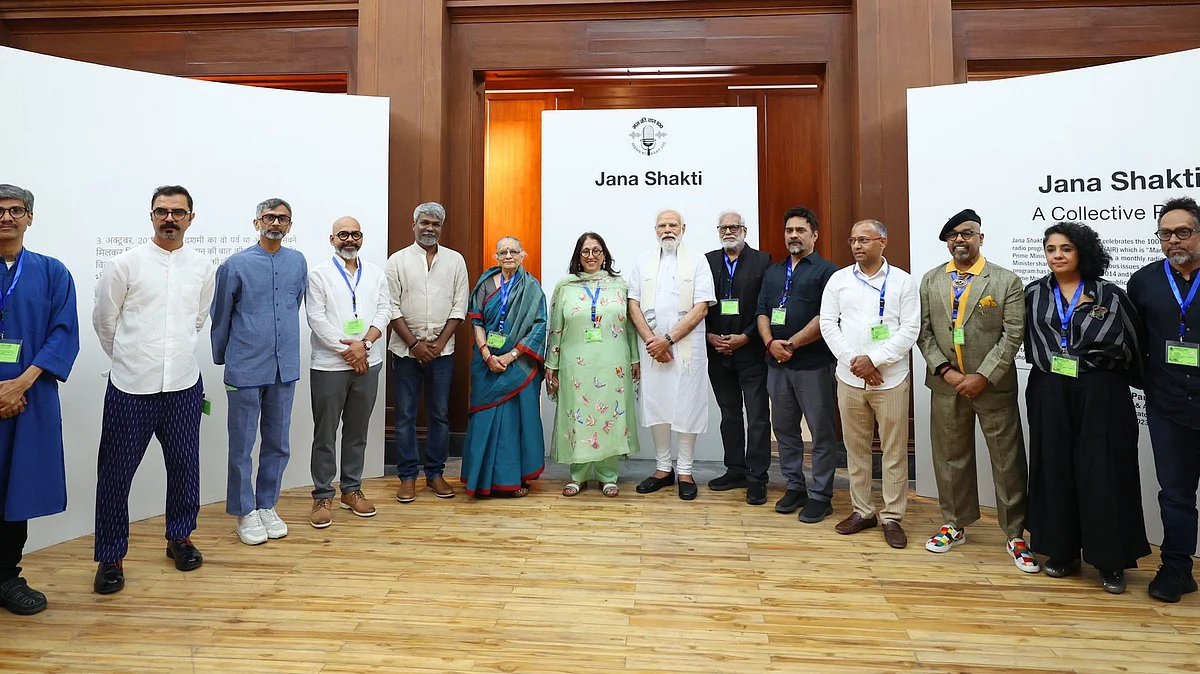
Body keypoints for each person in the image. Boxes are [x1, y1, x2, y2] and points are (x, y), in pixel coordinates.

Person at [91, 185, 214, 594]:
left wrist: (169, 356)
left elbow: (197, 320)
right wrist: (131, 358)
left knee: (184, 466)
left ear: (191, 218)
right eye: (162, 211)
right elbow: (105, 322)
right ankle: (110, 557)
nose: (170, 219)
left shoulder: (202, 267)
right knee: (115, 475)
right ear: (151, 215)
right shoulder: (124, 265)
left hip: (182, 384)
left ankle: (180, 538)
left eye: (178, 212)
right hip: (130, 387)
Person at [1025, 221, 1149, 593]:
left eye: (1066, 248)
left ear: (1083, 252)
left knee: (1103, 471)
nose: (1057, 256)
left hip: (1100, 390)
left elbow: (1134, 342)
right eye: (1051, 249)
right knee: (1054, 467)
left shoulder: (1109, 294)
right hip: (1050, 389)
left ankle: (1110, 561)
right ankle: (1060, 552)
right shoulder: (1033, 293)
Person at [916, 209, 1038, 573]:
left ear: (980, 238)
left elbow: (1013, 334)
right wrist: (948, 373)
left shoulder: (1004, 281)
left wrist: (982, 376)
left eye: (967, 233)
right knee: (951, 457)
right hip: (946, 385)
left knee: (1007, 461)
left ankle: (1016, 533)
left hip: (992, 386)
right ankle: (954, 524)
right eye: (953, 235)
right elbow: (923, 331)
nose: (960, 240)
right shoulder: (931, 280)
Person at [0, 184, 79, 615]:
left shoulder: (52, 272)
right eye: (0, 210)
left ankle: (7, 576)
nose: (7, 217)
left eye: (16, 210)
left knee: (19, 488)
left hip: (29, 400)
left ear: (30, 217)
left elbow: (63, 333)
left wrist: (19, 384)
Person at [211, 198, 307, 545]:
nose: (276, 223)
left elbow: (293, 305)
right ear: (256, 223)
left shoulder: (297, 262)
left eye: (283, 218)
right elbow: (220, 316)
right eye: (270, 217)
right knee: (242, 445)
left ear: (290, 225)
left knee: (278, 443)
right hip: (245, 367)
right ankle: (244, 510)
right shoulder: (235, 265)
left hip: (284, 367)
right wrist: (225, 358)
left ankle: (267, 505)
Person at [819, 219, 919, 549]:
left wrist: (874, 360)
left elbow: (909, 330)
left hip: (890, 379)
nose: (858, 245)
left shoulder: (903, 282)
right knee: (856, 448)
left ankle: (892, 517)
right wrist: (856, 362)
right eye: (853, 240)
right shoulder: (838, 280)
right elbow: (828, 326)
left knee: (893, 451)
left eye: (865, 239)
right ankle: (863, 511)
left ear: (883, 242)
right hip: (849, 378)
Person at [1128, 195, 1200, 603]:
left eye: (1183, 232)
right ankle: (1176, 570)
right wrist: (1150, 385)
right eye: (1166, 234)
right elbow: (1135, 342)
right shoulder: (1144, 281)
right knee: (1174, 493)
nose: (1174, 241)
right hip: (1168, 405)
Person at [756, 206, 839, 522]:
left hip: (812, 365)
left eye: (800, 230)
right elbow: (763, 310)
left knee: (820, 431)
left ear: (814, 235)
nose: (793, 235)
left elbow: (826, 317)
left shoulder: (827, 272)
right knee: (785, 429)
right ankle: (795, 485)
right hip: (776, 365)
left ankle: (821, 495)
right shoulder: (774, 271)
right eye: (789, 230)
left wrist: (791, 344)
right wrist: (770, 343)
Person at [305, 216, 389, 528]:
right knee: (325, 433)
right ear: (332, 239)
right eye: (343, 235)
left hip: (369, 361)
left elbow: (384, 310)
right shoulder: (318, 275)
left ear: (362, 238)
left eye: (354, 234)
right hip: (329, 365)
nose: (349, 240)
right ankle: (323, 494)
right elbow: (316, 318)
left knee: (357, 431)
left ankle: (351, 490)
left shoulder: (376, 274)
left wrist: (364, 345)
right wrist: (348, 351)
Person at [629, 209, 716, 501]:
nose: (668, 230)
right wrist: (653, 342)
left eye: (673, 225)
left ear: (683, 228)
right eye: (662, 225)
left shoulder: (698, 260)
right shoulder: (643, 260)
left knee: (686, 406)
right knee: (658, 406)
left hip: (686, 349)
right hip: (653, 347)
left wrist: (667, 340)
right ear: (656, 230)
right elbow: (633, 305)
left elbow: (702, 306)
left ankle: (686, 471)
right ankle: (663, 468)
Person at [546, 233, 641, 497]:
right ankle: (578, 475)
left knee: (609, 415)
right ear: (578, 256)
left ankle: (608, 475)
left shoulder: (620, 286)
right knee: (578, 414)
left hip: (613, 364)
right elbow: (555, 327)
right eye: (585, 251)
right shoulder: (565, 287)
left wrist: (635, 359)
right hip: (576, 365)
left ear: (605, 255)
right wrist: (551, 364)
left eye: (596, 251)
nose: (591, 256)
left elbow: (631, 328)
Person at [386, 202, 469, 503]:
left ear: (441, 227)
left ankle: (435, 474)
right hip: (405, 352)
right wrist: (414, 344)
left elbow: (460, 305)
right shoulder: (397, 261)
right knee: (406, 415)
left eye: (435, 224)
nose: (429, 228)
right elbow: (391, 307)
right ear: (414, 224)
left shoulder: (455, 260)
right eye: (424, 222)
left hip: (442, 353)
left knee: (440, 414)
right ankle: (407, 477)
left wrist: (437, 344)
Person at [461, 237, 547, 497]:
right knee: (485, 418)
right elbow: (475, 320)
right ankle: (480, 479)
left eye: (513, 251)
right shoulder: (485, 284)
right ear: (495, 256)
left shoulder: (532, 288)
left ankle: (512, 480)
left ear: (523, 254)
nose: (508, 255)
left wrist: (510, 356)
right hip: (486, 364)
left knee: (513, 422)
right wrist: (487, 354)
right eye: (503, 252)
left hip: (517, 365)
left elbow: (539, 325)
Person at [705, 211, 772, 505]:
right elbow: (698, 303)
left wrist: (746, 336)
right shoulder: (707, 262)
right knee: (729, 414)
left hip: (752, 351)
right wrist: (709, 335)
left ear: (744, 229)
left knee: (757, 416)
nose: (728, 231)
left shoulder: (763, 261)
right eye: (724, 227)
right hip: (717, 352)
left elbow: (764, 304)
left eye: (734, 227)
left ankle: (757, 476)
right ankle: (735, 469)